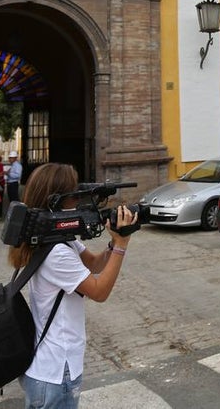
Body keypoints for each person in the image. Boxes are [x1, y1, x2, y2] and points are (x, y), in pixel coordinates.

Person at [8, 163, 137, 408]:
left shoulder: (54, 239)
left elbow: (93, 264)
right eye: (73, 193)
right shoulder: (56, 252)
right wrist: (121, 245)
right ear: (57, 200)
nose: (78, 199)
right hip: (57, 372)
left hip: (48, 369)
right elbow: (99, 292)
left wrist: (113, 242)